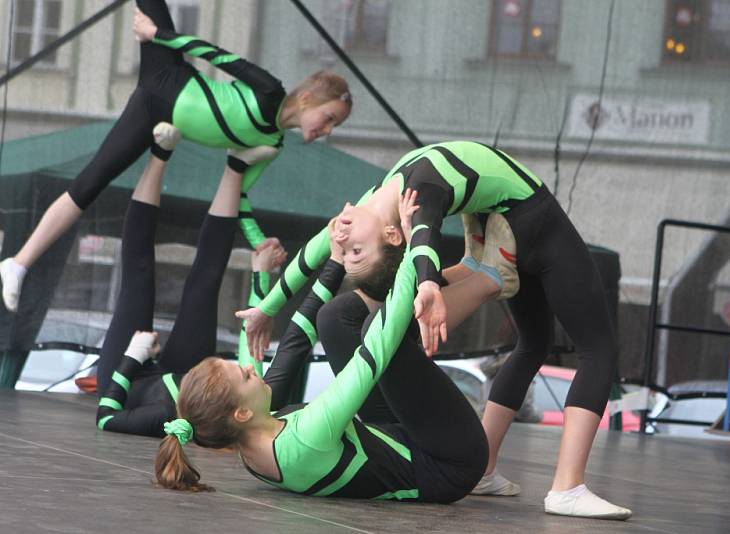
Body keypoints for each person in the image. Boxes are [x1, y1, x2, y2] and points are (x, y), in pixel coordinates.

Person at [238, 141, 632, 520]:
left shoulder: (374, 201)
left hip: (492, 222)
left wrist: (265, 308)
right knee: (599, 349)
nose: (340, 241)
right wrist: (427, 284)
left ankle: (486, 469)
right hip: (532, 219)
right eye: (352, 253)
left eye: (350, 251)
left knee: (532, 344)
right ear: (393, 235)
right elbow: (423, 241)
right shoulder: (413, 201)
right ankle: (567, 487)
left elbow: (312, 253)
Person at [0, 0, 351, 313]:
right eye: (329, 118)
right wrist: (158, 34)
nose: (328, 129)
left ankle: (16, 264)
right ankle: (19, 264)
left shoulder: (272, 144)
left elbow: (240, 195)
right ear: (307, 100)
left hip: (152, 113)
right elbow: (214, 53)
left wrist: (257, 239)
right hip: (167, 74)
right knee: (87, 183)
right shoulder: (269, 89)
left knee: (90, 183)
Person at [154, 199, 490, 503]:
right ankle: (492, 278)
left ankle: (466, 268)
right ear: (240, 413)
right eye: (244, 375)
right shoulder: (308, 437)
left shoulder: (252, 443)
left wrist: (335, 259)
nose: (252, 368)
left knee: (333, 317)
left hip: (395, 435)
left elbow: (297, 340)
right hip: (450, 462)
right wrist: (412, 243)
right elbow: (377, 348)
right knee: (377, 327)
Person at [96, 130, 287, 436]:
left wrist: (133, 356)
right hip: (190, 376)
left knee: (138, 276)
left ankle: (160, 152)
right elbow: (252, 337)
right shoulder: (231, 405)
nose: (250, 369)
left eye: (247, 376)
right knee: (205, 285)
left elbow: (105, 418)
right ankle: (235, 167)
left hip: (130, 377)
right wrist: (260, 272)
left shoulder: (163, 414)